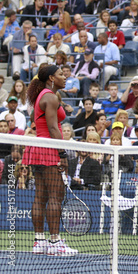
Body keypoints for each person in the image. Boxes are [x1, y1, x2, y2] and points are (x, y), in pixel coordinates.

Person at [23, 65, 78, 256]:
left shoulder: (44, 96)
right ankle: (55, 243)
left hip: (37, 148)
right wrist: (62, 154)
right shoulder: (51, 97)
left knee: (41, 196)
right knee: (55, 196)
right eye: (61, 74)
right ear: (51, 78)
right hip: (49, 149)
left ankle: (40, 242)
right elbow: (54, 129)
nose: (65, 77)